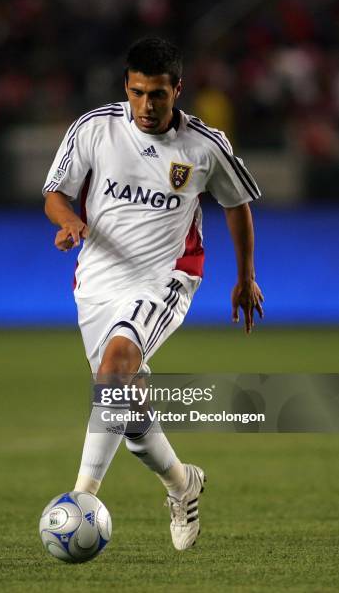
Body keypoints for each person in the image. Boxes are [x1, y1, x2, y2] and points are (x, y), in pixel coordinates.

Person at [43, 37, 264, 551]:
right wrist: (70, 218)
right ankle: (180, 483)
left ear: (177, 91)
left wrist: (245, 275)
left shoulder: (204, 147)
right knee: (126, 407)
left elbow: (238, 205)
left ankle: (80, 500)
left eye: (158, 95)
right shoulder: (95, 128)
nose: (147, 105)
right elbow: (55, 192)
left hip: (166, 277)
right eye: (138, 93)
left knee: (115, 369)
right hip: (97, 282)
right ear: (127, 86)